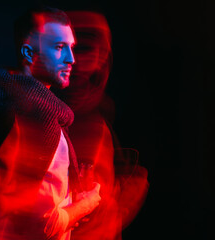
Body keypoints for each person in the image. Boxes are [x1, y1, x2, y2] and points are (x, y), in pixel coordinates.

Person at [0, 5, 101, 240]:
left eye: (71, 47)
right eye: (59, 47)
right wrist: (86, 205)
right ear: (29, 54)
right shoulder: (36, 116)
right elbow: (41, 226)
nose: (71, 59)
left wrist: (71, 199)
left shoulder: (11, 101)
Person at [54, 11, 149, 240]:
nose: (76, 60)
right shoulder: (37, 115)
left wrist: (118, 199)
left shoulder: (97, 122)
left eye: (85, 48)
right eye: (67, 47)